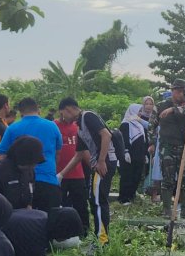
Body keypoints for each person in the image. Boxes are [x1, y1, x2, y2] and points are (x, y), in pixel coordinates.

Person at [57, 97, 116, 245]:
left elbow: (106, 134)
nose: (63, 117)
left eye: (63, 114)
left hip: (105, 162)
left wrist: (101, 160)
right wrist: (62, 174)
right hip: (98, 163)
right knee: (94, 199)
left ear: (69, 109)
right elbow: (79, 154)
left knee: (98, 201)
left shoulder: (88, 116)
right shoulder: (80, 127)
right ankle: (100, 237)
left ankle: (102, 240)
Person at [0, 98, 62, 212]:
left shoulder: (12, 128)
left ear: (21, 112)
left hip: (21, 183)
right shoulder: (52, 126)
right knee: (51, 221)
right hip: (49, 181)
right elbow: (57, 154)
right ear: (38, 109)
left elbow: (1, 157)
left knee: (25, 222)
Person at [148, 80, 185, 218]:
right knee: (168, 178)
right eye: (177, 90)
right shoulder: (161, 105)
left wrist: (173, 110)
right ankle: (167, 209)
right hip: (167, 146)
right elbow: (151, 125)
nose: (180, 93)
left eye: (182, 90)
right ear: (172, 90)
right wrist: (151, 143)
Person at [0, 136, 43, 209]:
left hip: (21, 213)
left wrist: (29, 205)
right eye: (31, 163)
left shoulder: (29, 172)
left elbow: (30, 193)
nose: (33, 166)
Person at [55, 114, 90, 237]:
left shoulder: (77, 127)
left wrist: (93, 165)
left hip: (77, 173)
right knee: (60, 204)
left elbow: (84, 151)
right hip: (59, 173)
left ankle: (84, 230)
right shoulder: (54, 126)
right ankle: (63, 232)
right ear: (62, 111)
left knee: (81, 203)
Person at [118, 104, 148, 205]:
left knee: (137, 176)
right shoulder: (126, 124)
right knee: (127, 176)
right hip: (129, 155)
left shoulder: (139, 125)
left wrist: (145, 154)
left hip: (139, 155)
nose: (140, 113)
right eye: (138, 111)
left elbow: (143, 141)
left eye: (141, 111)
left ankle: (131, 196)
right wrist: (126, 151)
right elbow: (123, 139)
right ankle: (123, 198)